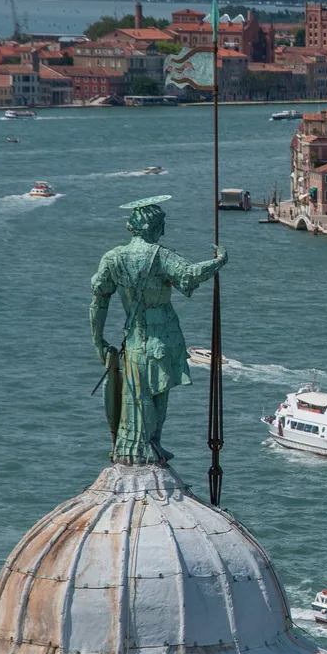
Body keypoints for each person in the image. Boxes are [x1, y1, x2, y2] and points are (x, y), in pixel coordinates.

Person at [90, 196, 227, 465]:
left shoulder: (113, 258)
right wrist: (220, 260)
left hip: (133, 338)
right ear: (152, 227)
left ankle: (135, 444)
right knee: (157, 392)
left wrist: (97, 340)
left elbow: (98, 301)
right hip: (162, 336)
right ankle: (150, 443)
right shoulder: (160, 255)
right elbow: (190, 274)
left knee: (135, 392)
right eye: (161, 225)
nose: (163, 231)